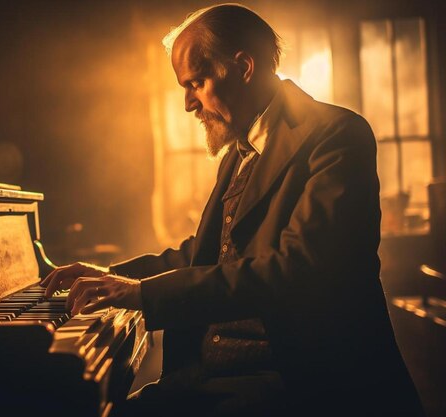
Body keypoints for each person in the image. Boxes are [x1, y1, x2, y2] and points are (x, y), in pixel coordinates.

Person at [42, 4, 424, 416]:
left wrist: (140, 294)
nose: (189, 103)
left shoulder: (337, 135)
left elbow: (299, 269)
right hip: (214, 379)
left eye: (197, 82)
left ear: (243, 67)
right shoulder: (238, 153)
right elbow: (205, 253)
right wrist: (114, 277)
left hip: (300, 385)